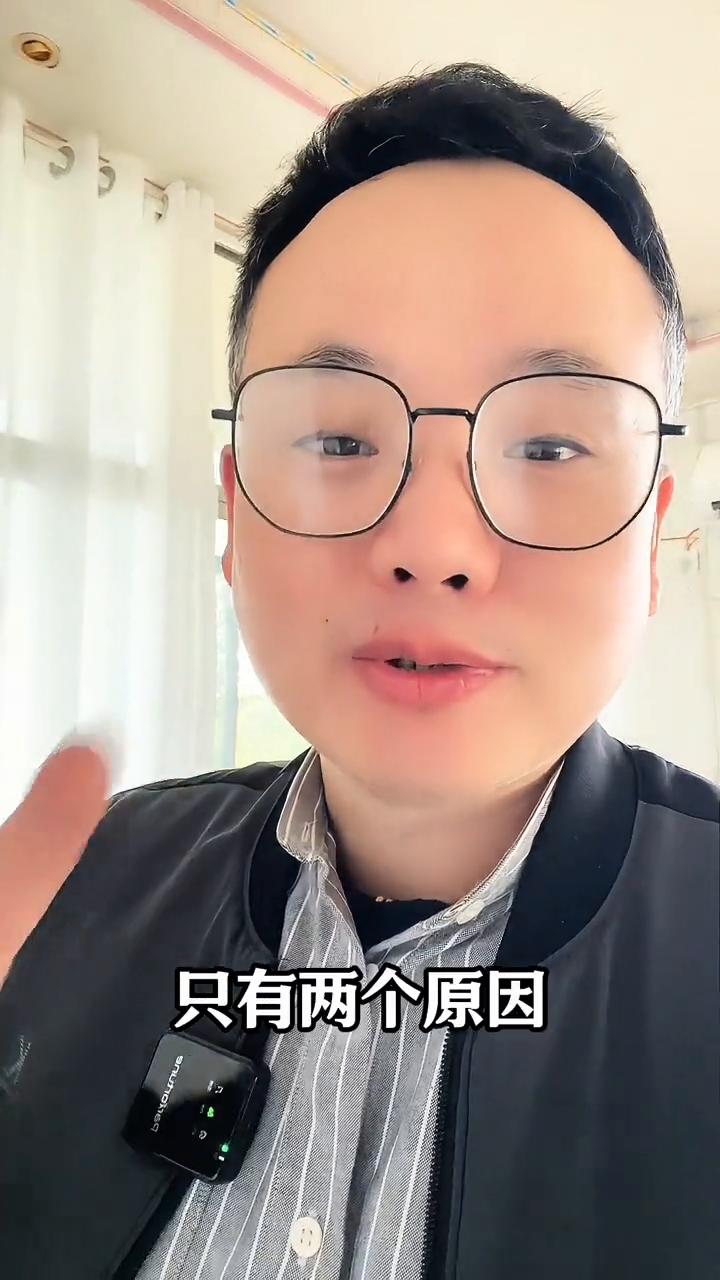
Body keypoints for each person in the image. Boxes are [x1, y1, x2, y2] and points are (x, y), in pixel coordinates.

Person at [0, 62, 717, 1280]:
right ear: (234, 512)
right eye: (338, 436)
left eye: (550, 444)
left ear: (652, 537)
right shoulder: (77, 894)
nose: (433, 545)